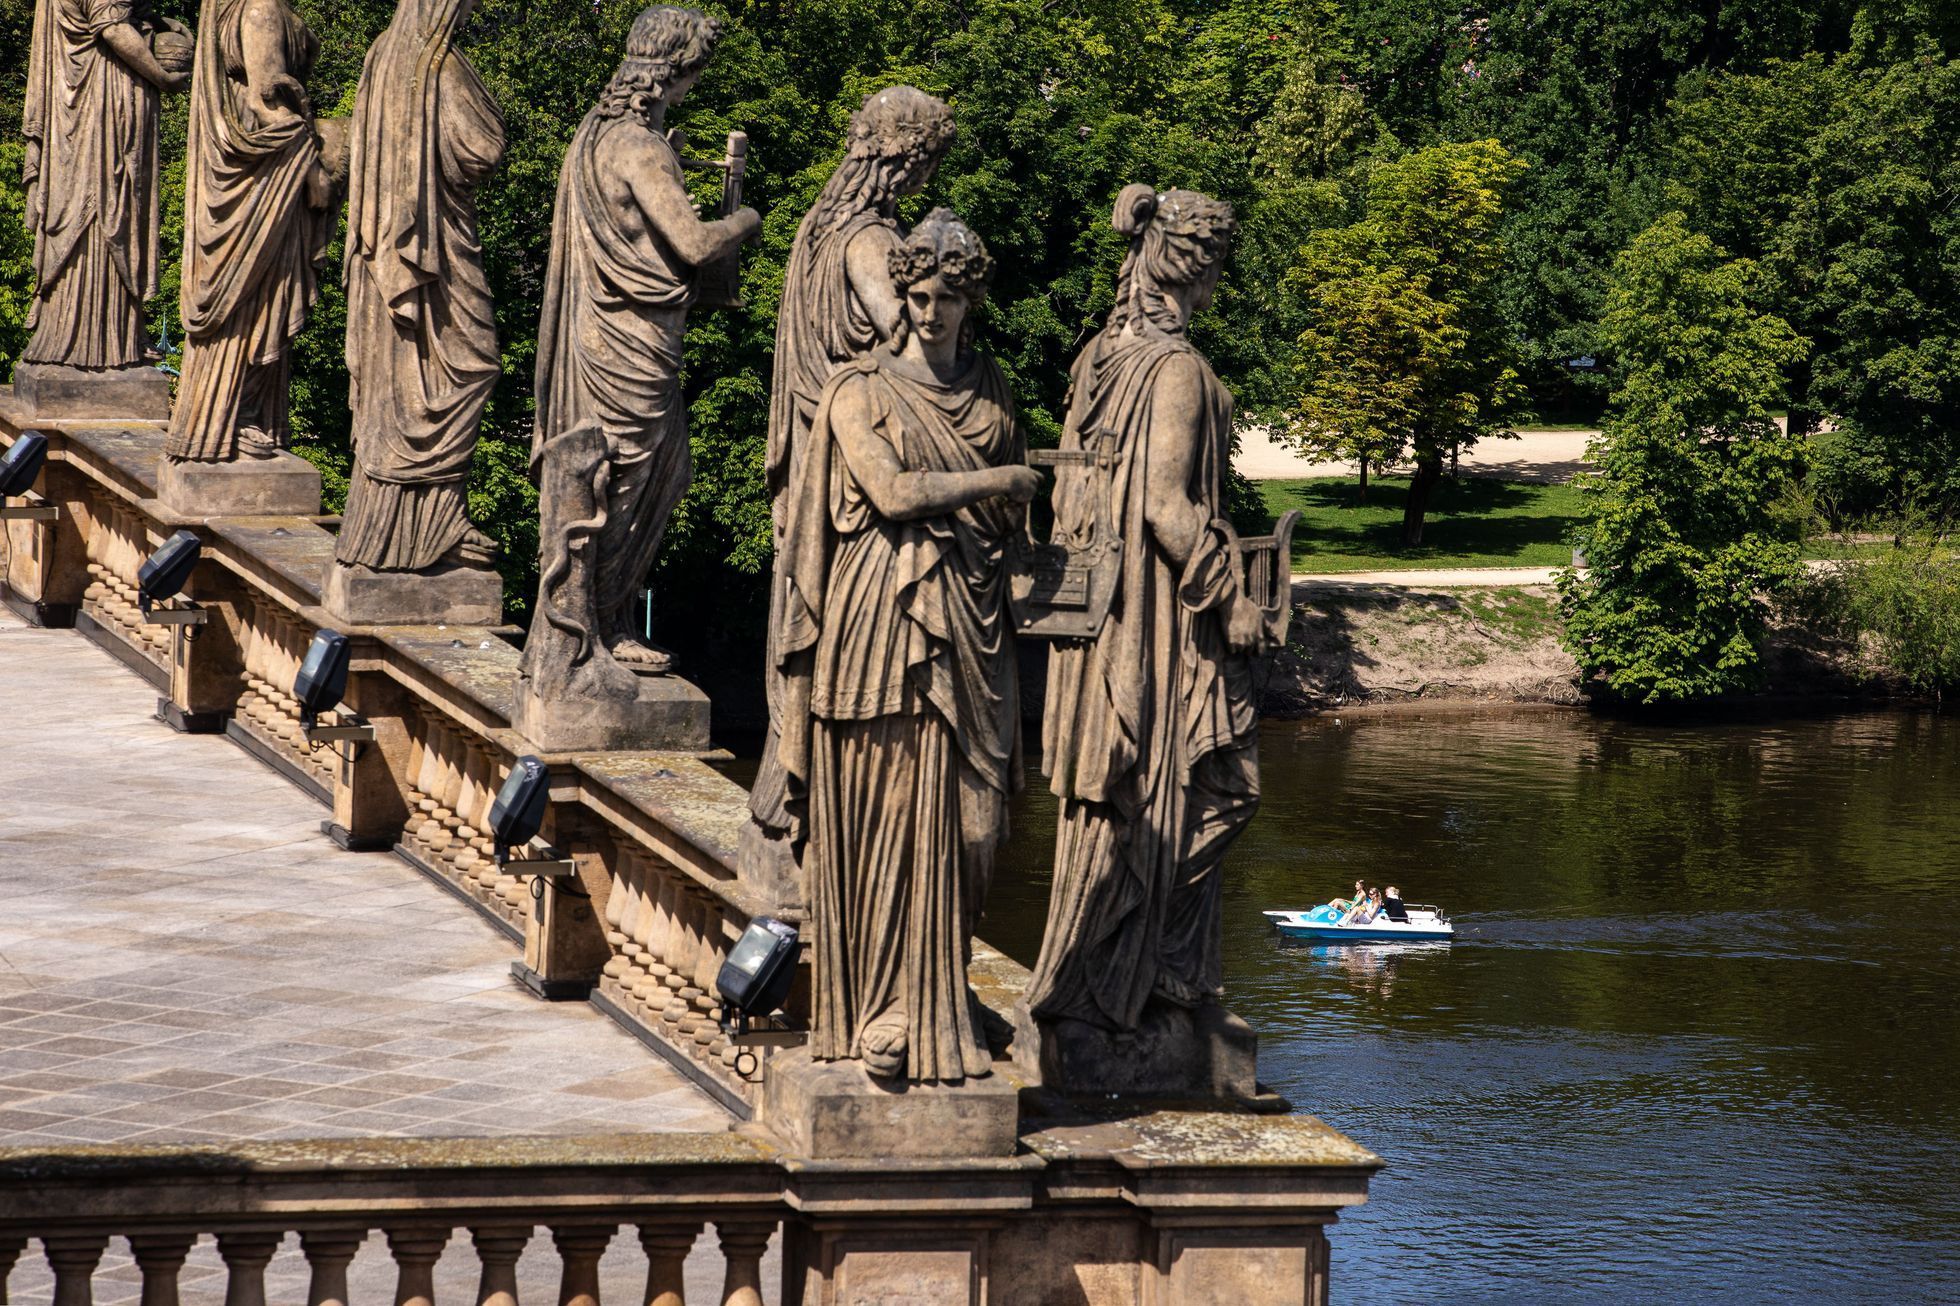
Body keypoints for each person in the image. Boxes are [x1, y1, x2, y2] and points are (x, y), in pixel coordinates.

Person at [783, 210, 1034, 1082]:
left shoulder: (990, 386)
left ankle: (940, 987)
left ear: (971, 301)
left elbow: (1006, 513)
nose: (928, 312)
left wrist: (1021, 515)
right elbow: (890, 492)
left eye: (946, 298)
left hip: (971, 619)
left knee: (975, 825)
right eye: (916, 294)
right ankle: (889, 1005)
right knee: (890, 819)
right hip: (880, 628)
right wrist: (1000, 479)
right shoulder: (859, 391)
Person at [1023, 185, 1266, 1030]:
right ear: (1196, 266)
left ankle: (1131, 970)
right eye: (1218, 266)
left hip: (1105, 619)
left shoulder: (1099, 356)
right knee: (1216, 787)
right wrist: (1230, 596)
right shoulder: (1174, 372)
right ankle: (1147, 970)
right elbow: (1166, 503)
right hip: (1161, 622)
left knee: (1123, 800)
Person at [748, 85, 956, 859]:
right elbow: (901, 335)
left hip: (820, 452)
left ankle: (791, 786)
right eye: (926, 162)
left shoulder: (815, 227)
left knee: (811, 629)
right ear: (905, 160)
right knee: (832, 634)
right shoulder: (867, 240)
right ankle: (806, 803)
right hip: (844, 473)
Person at [532, 4, 758, 674]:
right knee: (633, 478)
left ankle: (608, 618)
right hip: (631, 345)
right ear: (669, 72)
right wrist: (744, 218)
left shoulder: (591, 137)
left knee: (637, 475)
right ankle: (594, 627)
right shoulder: (638, 147)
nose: (692, 90)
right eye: (692, 79)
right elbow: (691, 242)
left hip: (604, 331)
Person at [335, 0, 504, 573]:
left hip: (394, 252)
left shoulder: (383, 53)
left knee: (402, 381)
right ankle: (430, 526)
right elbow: (482, 150)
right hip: (434, 251)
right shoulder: (438, 64)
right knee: (467, 366)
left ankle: (399, 526)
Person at [166, 0, 338, 462]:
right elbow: (267, 100)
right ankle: (237, 418)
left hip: (256, 165)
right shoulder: (260, 8)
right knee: (260, 296)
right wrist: (312, 170)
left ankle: (233, 417)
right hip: (268, 168)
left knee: (259, 297)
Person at [21, 0, 190, 370]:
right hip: (99, 108)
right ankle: (94, 345)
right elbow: (111, 27)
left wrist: (155, 20)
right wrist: (162, 77)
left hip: (87, 107)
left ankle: (107, 337)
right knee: (105, 210)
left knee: (106, 210)